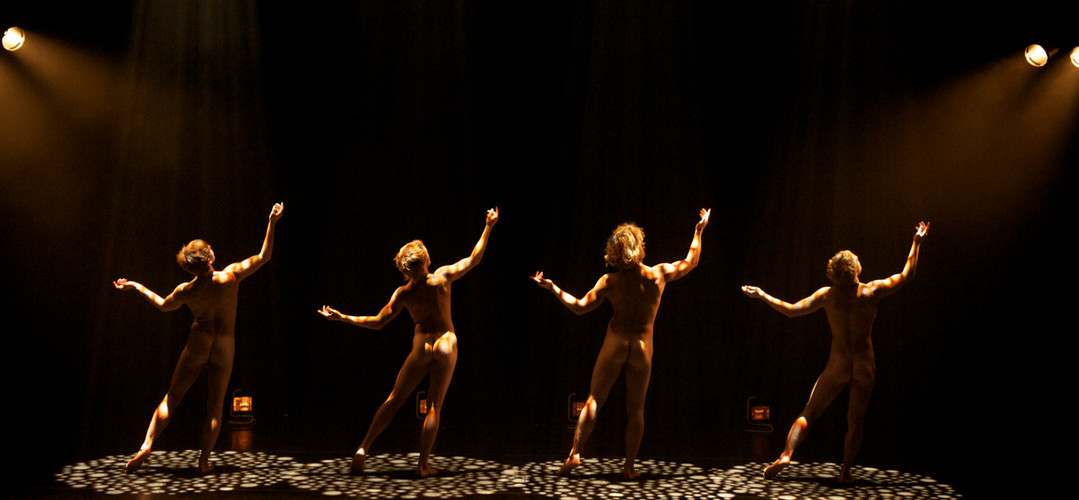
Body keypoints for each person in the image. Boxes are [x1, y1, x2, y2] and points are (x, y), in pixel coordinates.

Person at [741, 221, 929, 484]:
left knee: (809, 412)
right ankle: (845, 473)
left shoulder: (827, 296)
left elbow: (791, 310)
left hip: (838, 363)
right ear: (856, 269)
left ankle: (786, 454)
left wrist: (762, 295)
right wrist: (916, 243)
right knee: (855, 421)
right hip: (863, 364)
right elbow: (907, 274)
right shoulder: (871, 291)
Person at [318, 207, 498, 477]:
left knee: (395, 398)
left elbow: (377, 322)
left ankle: (363, 447)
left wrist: (342, 317)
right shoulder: (443, 276)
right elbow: (474, 258)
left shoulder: (403, 293)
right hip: (446, 343)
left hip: (421, 345)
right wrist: (488, 226)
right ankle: (423, 465)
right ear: (426, 261)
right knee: (435, 405)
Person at [531, 208, 710, 479]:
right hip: (642, 347)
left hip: (616, 342)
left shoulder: (610, 282)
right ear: (639, 247)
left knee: (594, 399)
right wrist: (698, 230)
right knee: (636, 409)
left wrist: (553, 287)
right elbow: (691, 261)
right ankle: (628, 468)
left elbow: (579, 307)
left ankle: (575, 452)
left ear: (615, 253)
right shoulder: (658, 274)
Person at [113, 202, 284, 474]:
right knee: (215, 408)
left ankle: (146, 445)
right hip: (224, 346)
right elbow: (264, 256)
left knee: (172, 398)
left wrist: (136, 286)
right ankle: (203, 462)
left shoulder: (186, 290)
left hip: (199, 343)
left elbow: (162, 305)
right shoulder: (231, 275)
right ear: (209, 257)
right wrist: (272, 222)